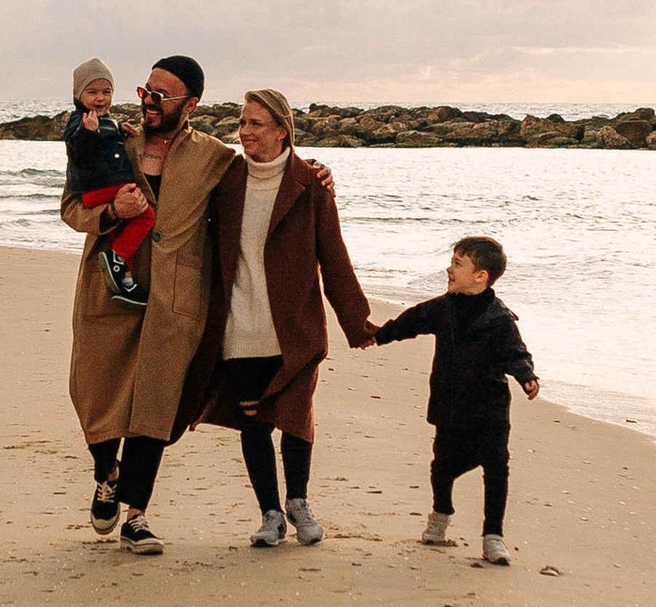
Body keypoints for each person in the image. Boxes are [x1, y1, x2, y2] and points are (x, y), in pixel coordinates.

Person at [174, 88, 373, 546]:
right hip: (239, 326)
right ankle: (269, 513)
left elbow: (333, 255)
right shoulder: (226, 179)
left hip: (294, 327)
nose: (244, 132)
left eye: (255, 124)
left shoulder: (310, 184)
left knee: (297, 414)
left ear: (282, 129)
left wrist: (356, 321)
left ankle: (298, 502)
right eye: (242, 123)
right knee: (254, 420)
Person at [61, 55, 230, 554]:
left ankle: (137, 515)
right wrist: (114, 211)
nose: (148, 102)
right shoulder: (111, 139)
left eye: (161, 95)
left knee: (152, 405)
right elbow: (71, 207)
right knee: (93, 390)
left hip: (173, 299)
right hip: (108, 289)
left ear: (191, 104)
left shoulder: (214, 157)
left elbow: (267, 178)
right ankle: (105, 471)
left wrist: (316, 175)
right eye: (145, 91)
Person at [366, 231, 540, 566]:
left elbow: (515, 354)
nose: (449, 269)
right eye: (451, 262)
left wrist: (526, 376)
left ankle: (493, 537)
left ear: (480, 276)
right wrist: (376, 336)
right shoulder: (442, 309)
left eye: (457, 264)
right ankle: (440, 516)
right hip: (450, 406)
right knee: (442, 467)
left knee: (497, 467)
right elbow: (409, 322)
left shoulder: (499, 320)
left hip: (489, 409)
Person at [63, 57, 151, 305]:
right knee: (145, 215)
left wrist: (120, 130)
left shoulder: (107, 120)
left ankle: (125, 280)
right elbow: (75, 149)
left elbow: (107, 139)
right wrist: (87, 132)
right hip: (101, 189)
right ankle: (117, 259)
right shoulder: (80, 121)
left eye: (106, 92)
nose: (100, 98)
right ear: (79, 94)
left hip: (106, 188)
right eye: (92, 92)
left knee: (121, 231)